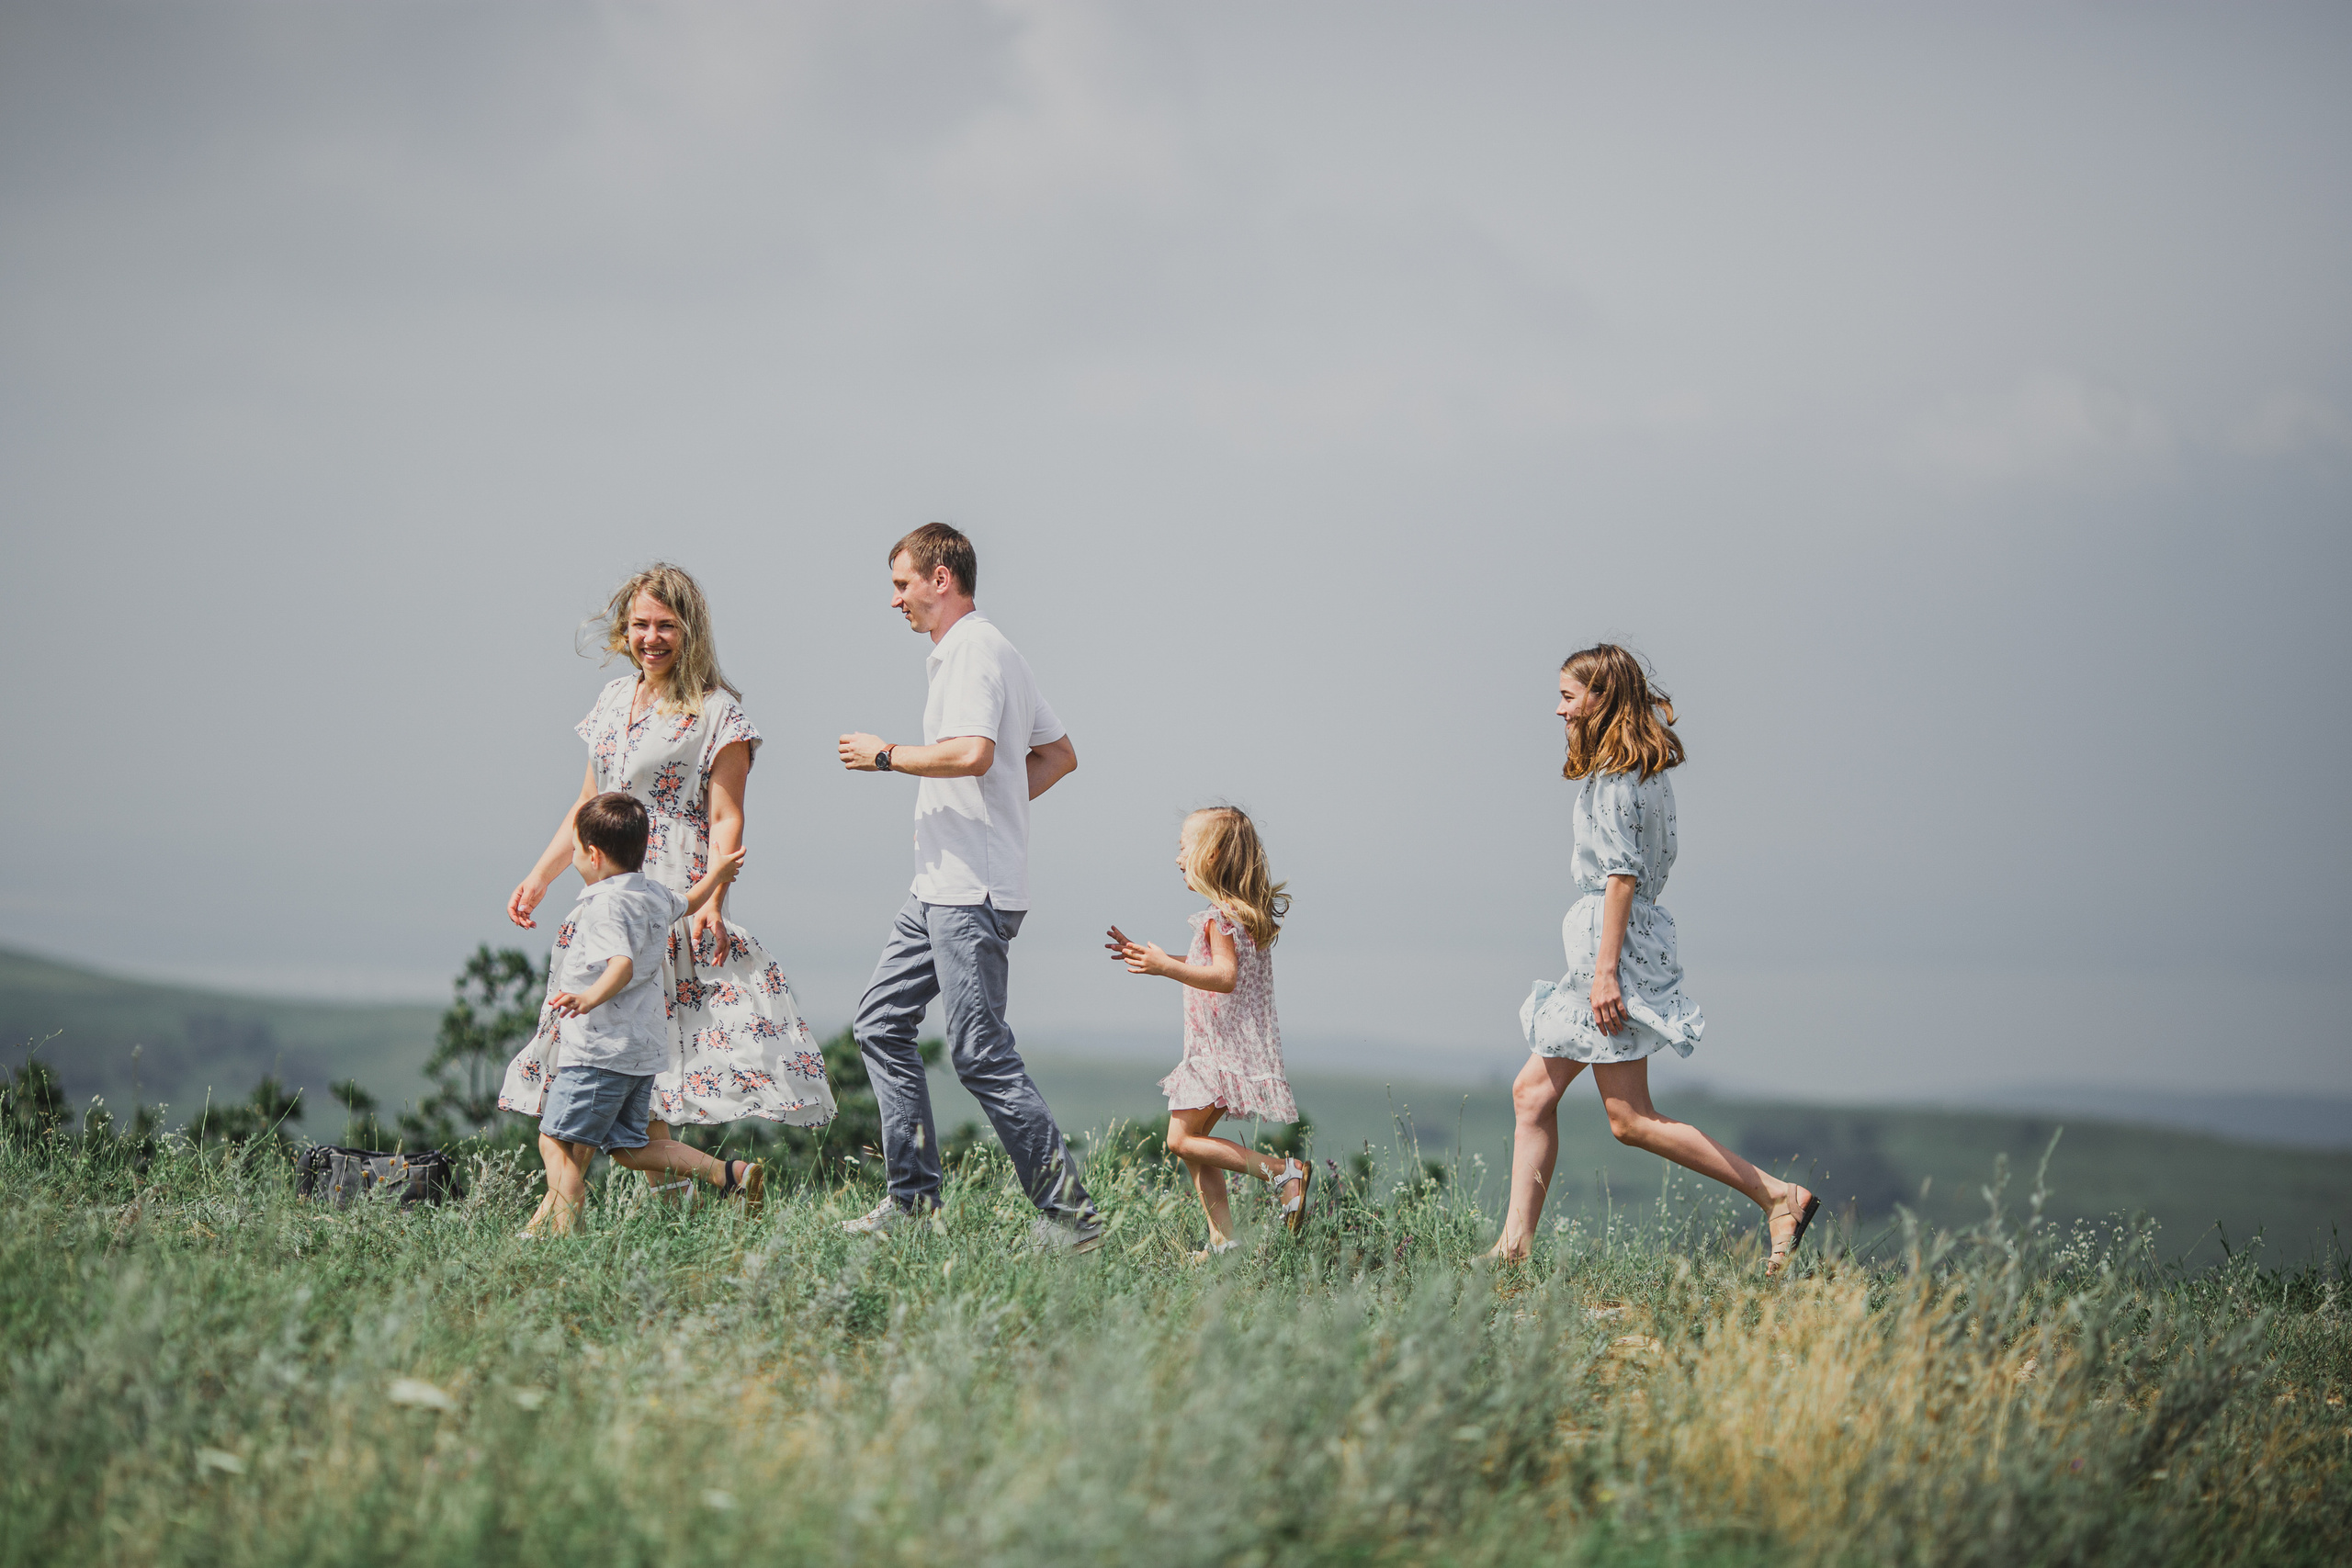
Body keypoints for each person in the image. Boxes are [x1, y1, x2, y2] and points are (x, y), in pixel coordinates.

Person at [1491, 645, 1819, 1275]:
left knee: (1631, 1119)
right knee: (1532, 1092)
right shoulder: (1641, 772)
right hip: (1613, 945)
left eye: (1567, 696)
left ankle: (1778, 1195)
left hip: (1613, 952)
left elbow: (1621, 876)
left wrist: (1607, 972)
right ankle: (1512, 1252)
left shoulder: (1619, 779)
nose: (1558, 709)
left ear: (1600, 698)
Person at [499, 564, 835, 1177]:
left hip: (673, 887)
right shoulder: (610, 701)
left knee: (652, 1043)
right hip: (605, 893)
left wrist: (712, 899)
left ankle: (665, 1194)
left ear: (690, 630)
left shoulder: (718, 713)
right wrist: (541, 874)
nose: (651, 637)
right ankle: (674, 1198)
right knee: (613, 1039)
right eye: (640, 625)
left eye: (665, 626)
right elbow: (585, 805)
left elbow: (728, 817)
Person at [836, 523, 1100, 1250]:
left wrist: (886, 755)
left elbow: (977, 752)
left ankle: (1072, 1218)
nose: (895, 601)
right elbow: (1058, 756)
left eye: (902, 584)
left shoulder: (977, 652)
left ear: (940, 576)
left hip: (969, 892)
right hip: (938, 886)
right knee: (879, 1023)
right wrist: (1004, 809)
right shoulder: (978, 651)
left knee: (980, 1053)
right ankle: (913, 1205)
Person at [520, 792, 763, 1236]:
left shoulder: (602, 907)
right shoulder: (651, 894)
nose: (572, 856)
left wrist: (588, 998)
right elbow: (689, 902)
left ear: (593, 854)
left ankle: (566, 1230)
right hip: (643, 1052)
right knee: (632, 1148)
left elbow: (622, 965)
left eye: (574, 849)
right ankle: (729, 1175)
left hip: (598, 1050)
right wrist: (718, 874)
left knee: (555, 1142)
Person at [1107, 806, 1310, 1259]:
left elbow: (1224, 977)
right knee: (1195, 1149)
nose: (1177, 856)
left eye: (1184, 846)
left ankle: (1281, 1172)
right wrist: (1156, 959)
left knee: (1179, 1141)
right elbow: (1214, 969)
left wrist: (1164, 968)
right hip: (1225, 1048)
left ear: (1212, 853)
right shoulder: (1240, 915)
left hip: (1217, 1051)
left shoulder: (1219, 917)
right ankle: (1224, 1243)